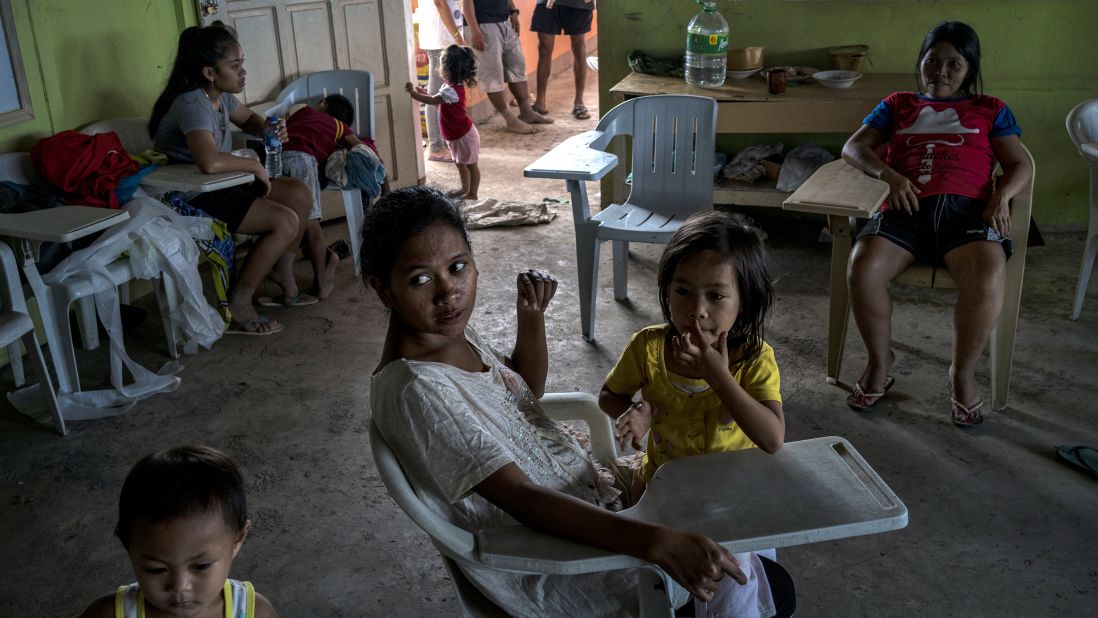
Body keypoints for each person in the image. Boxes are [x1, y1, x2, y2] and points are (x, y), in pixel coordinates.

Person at [366, 186, 749, 617]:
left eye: (458, 267)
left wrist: (531, 318)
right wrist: (654, 540)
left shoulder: (445, 334)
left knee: (742, 524)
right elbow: (523, 499)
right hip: (559, 556)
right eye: (420, 278)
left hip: (587, 490)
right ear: (383, 289)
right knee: (749, 575)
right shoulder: (418, 390)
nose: (448, 292)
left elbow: (523, 389)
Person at [599, 211, 794, 618]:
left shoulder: (755, 360)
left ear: (745, 301)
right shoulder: (649, 348)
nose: (697, 310)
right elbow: (608, 395)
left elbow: (772, 438)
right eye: (682, 291)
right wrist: (640, 410)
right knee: (710, 582)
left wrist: (719, 377)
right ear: (666, 291)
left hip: (735, 497)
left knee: (734, 579)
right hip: (665, 492)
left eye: (716, 296)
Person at [840, 21, 1032, 427]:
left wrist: (1001, 196)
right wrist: (888, 176)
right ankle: (879, 362)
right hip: (906, 209)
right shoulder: (897, 104)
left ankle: (961, 375)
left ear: (969, 69)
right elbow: (854, 147)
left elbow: (1020, 163)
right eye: (932, 61)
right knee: (863, 266)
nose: (940, 72)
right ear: (920, 63)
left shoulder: (990, 109)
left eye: (954, 64)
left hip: (967, 215)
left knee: (988, 273)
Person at [150, 22, 315, 335]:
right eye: (235, 66)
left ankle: (282, 272)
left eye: (243, 65)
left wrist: (269, 128)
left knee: (299, 193)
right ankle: (239, 300)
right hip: (190, 195)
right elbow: (209, 163)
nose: (243, 73)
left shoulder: (221, 98)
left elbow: (251, 121)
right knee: (285, 221)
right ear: (209, 72)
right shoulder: (193, 103)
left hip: (222, 186)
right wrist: (254, 168)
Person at [78, 445, 278, 618]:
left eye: (201, 566)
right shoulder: (108, 614)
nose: (180, 586)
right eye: (156, 569)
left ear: (238, 539)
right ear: (128, 547)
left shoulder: (255, 612)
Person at [280, 94, 364, 301]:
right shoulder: (340, 128)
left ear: (323, 104)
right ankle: (324, 270)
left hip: (280, 159)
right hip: (302, 161)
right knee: (310, 222)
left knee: (301, 221)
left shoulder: (303, 112)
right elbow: (360, 147)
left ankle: (322, 276)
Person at [461, 0, 552, 133]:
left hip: (504, 21)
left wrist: (513, 11)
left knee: (517, 66)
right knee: (492, 75)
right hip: (482, 24)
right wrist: (474, 30)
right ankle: (510, 120)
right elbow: (466, 2)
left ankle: (526, 111)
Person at [405, 45, 481, 201]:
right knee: (460, 163)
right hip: (456, 134)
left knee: (471, 165)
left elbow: (433, 100)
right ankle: (464, 188)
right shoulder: (449, 88)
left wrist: (413, 94)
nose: (439, 68)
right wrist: (424, 93)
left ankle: (473, 193)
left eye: (441, 65)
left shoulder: (452, 90)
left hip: (464, 135)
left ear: (449, 69)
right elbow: (438, 100)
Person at [418, 0, 466, 162]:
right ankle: (436, 146)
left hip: (445, 36)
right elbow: (440, 3)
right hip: (440, 38)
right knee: (435, 95)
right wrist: (457, 36)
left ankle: (443, 143)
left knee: (443, 94)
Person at [531, 0, 595, 120]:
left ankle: (579, 102)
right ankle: (540, 102)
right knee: (544, 47)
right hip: (547, 3)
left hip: (577, 4)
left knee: (578, 47)